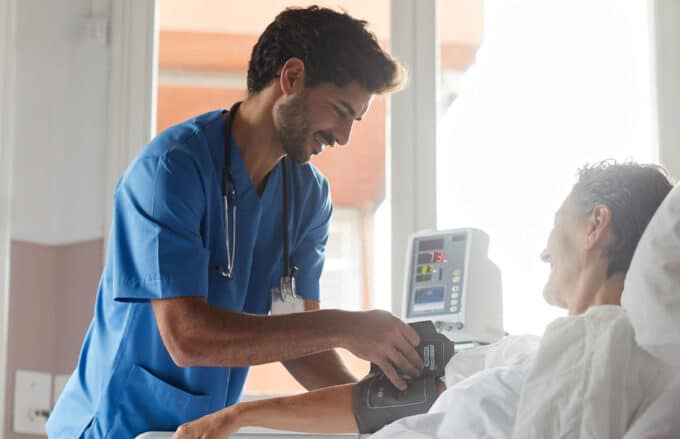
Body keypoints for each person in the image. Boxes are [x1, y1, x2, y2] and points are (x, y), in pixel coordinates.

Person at [46, 7, 425, 438]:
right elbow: (188, 338)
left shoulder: (307, 197)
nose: (342, 136)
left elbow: (299, 340)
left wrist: (382, 416)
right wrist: (348, 326)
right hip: (114, 426)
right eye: (339, 111)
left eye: (353, 120)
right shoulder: (171, 170)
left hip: (198, 430)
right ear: (292, 78)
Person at [171, 161, 675, 438]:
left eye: (556, 224)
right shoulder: (521, 353)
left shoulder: (614, 358)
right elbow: (376, 405)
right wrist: (238, 416)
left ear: (595, 225)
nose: (545, 249)